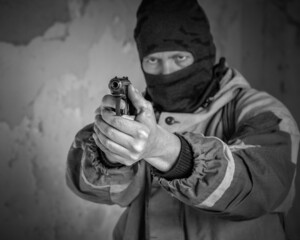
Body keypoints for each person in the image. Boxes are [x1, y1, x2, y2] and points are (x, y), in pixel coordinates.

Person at [66, 0, 300, 239]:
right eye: (153, 60)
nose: (167, 71)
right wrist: (110, 155)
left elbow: (260, 186)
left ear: (203, 54)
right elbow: (88, 188)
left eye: (180, 57)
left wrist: (165, 149)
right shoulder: (138, 116)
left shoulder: (262, 111)